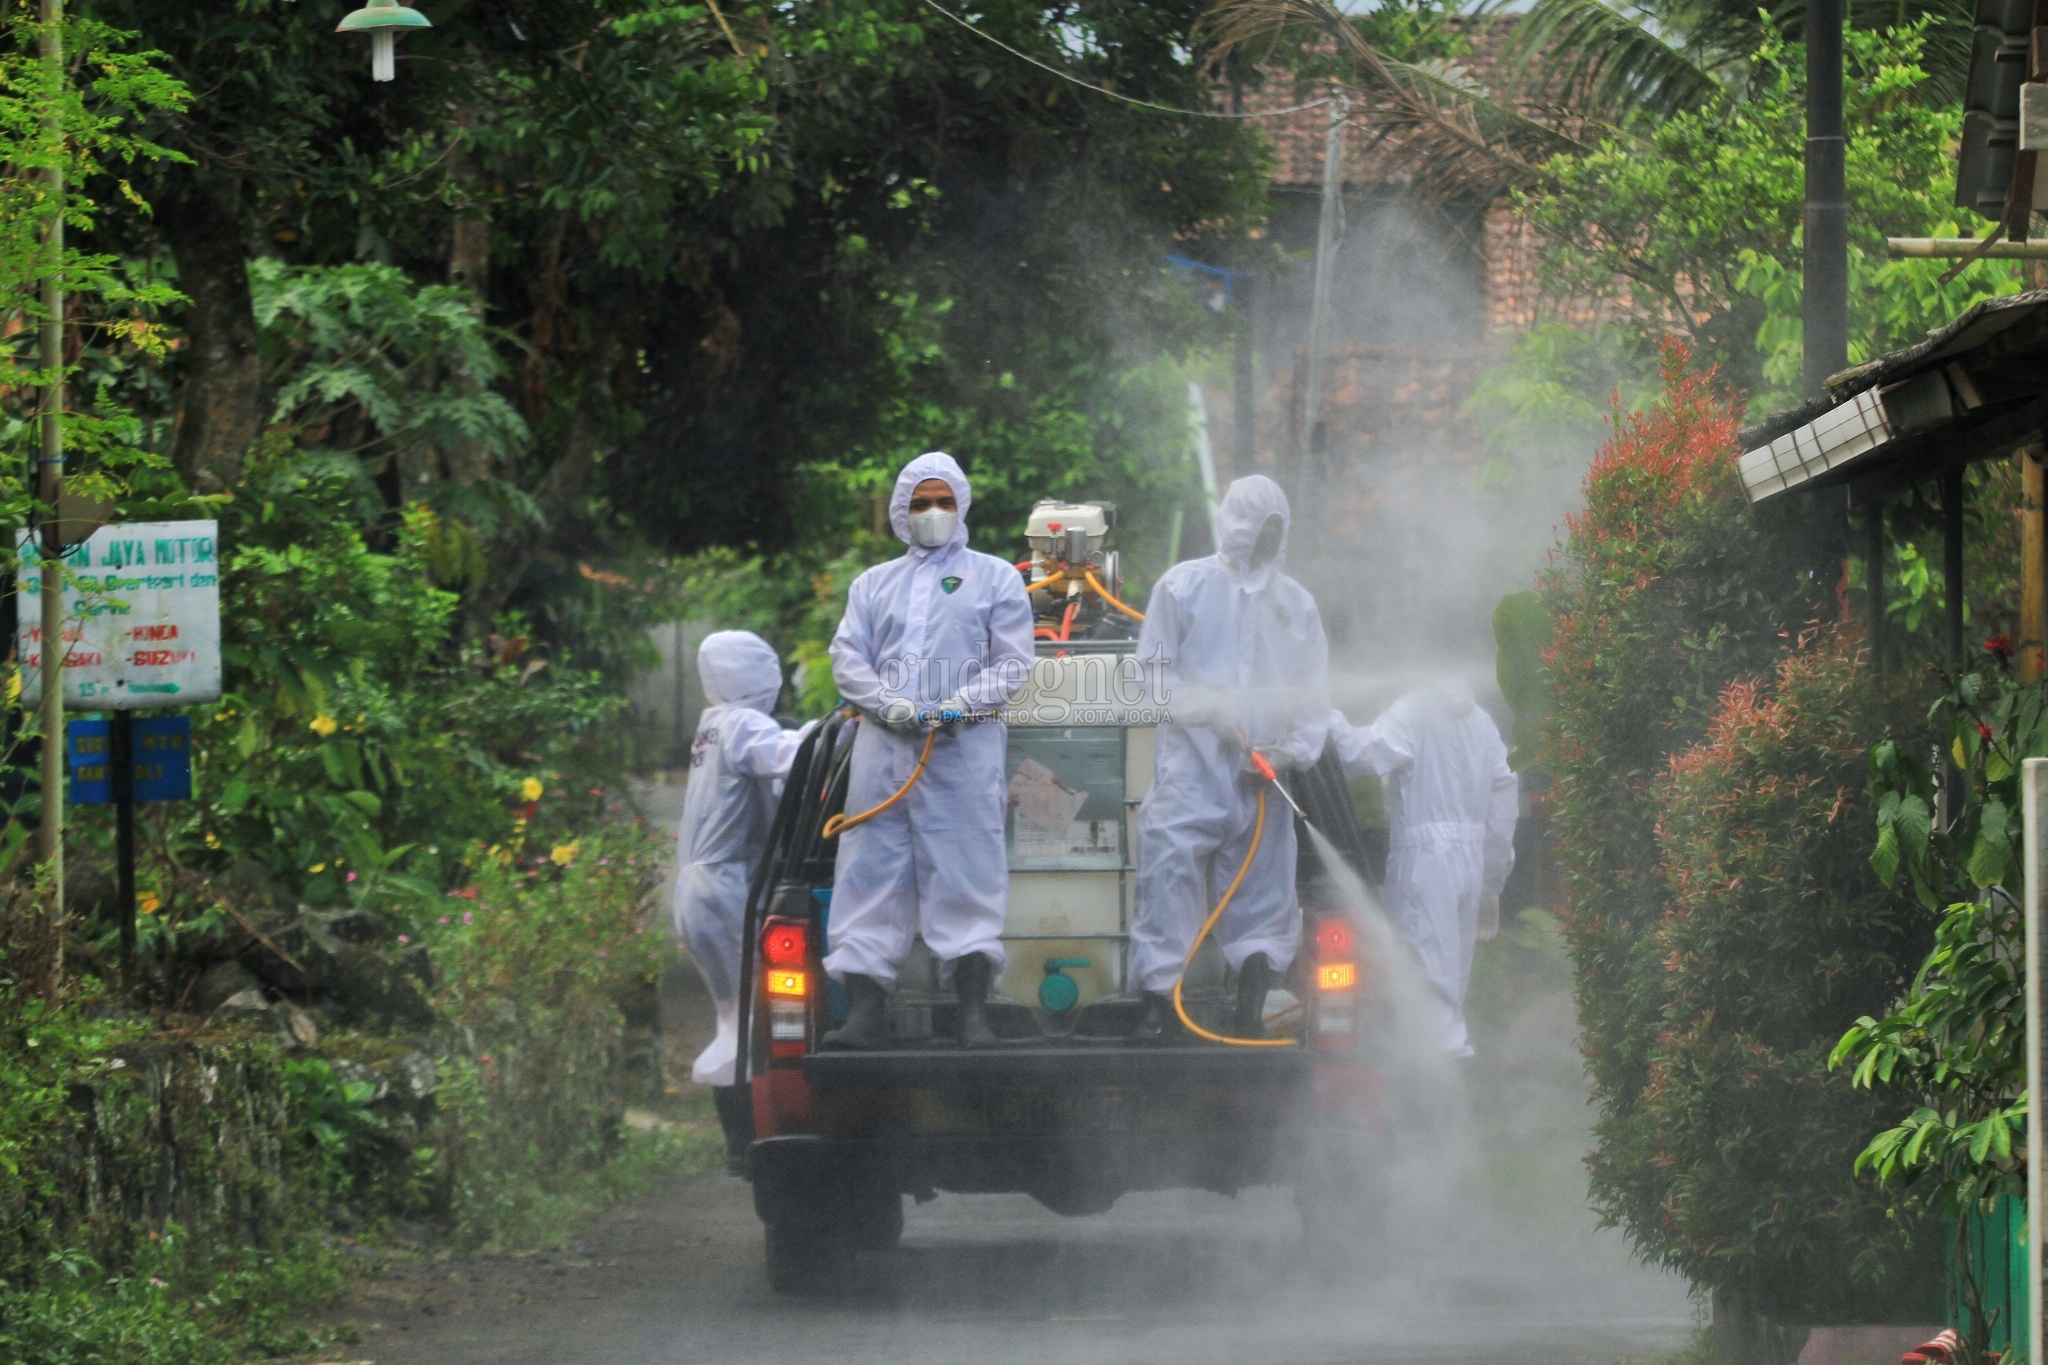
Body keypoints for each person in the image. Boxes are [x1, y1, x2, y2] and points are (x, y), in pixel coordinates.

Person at [820, 451, 1035, 1050]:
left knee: (967, 871)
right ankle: (864, 1012)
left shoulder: (995, 577)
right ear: (900, 511)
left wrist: (957, 708)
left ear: (961, 504)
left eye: (943, 500)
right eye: (920, 503)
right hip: (882, 756)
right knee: (870, 871)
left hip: (963, 754)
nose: (932, 512)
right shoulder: (873, 584)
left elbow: (1013, 662)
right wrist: (889, 704)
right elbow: (848, 657)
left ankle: (972, 1012)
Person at [1130, 475, 1331, 1040]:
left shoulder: (1296, 605)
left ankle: (1249, 1007)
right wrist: (1209, 708)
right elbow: (1150, 680)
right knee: (1169, 877)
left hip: (1260, 782)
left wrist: (1285, 752)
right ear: (1236, 523)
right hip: (1190, 774)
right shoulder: (1182, 587)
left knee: (1265, 892)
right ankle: (1157, 1005)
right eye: (1258, 525)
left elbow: (1314, 700)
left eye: (1275, 527)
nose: (1265, 537)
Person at [671, 630, 814, 1169]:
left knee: (733, 1015)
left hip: (698, 887)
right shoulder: (742, 724)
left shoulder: (712, 725)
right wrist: (842, 726)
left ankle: (743, 1137)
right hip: (726, 883)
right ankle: (749, 1138)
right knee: (750, 1016)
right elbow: (789, 757)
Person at [1329, 677, 1518, 1059]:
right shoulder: (1483, 724)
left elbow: (1360, 753)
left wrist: (1319, 711)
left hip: (1426, 864)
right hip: (1472, 865)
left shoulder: (1415, 710)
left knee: (1427, 984)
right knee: (1450, 985)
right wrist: (1492, 884)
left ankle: (1435, 1094)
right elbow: (1503, 811)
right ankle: (1441, 1076)